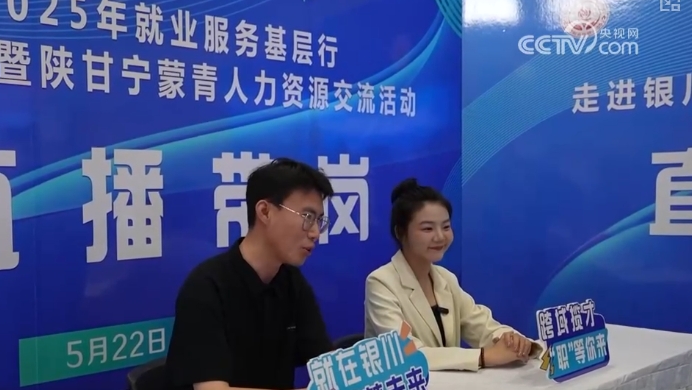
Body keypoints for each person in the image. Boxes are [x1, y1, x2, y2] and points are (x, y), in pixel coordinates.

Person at [165, 158, 335, 390]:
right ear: (265, 212)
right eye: (307, 217)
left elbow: (328, 365)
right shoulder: (206, 286)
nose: (315, 233)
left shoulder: (292, 282)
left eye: (319, 221)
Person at [364, 178, 542, 371]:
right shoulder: (381, 283)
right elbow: (407, 353)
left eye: (446, 227)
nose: (440, 236)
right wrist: (484, 357)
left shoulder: (446, 278)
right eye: (427, 228)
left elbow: (481, 325)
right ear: (400, 232)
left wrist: (513, 341)